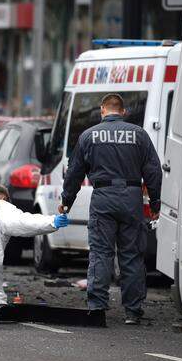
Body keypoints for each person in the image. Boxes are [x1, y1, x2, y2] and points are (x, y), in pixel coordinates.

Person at [60, 93, 162, 325]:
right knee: (131, 256)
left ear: (102, 111)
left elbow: (74, 171)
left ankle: (97, 306)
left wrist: (67, 201)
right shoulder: (140, 135)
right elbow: (153, 171)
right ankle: (132, 312)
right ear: (123, 111)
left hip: (103, 198)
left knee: (100, 253)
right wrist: (155, 203)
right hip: (132, 198)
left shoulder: (89, 136)